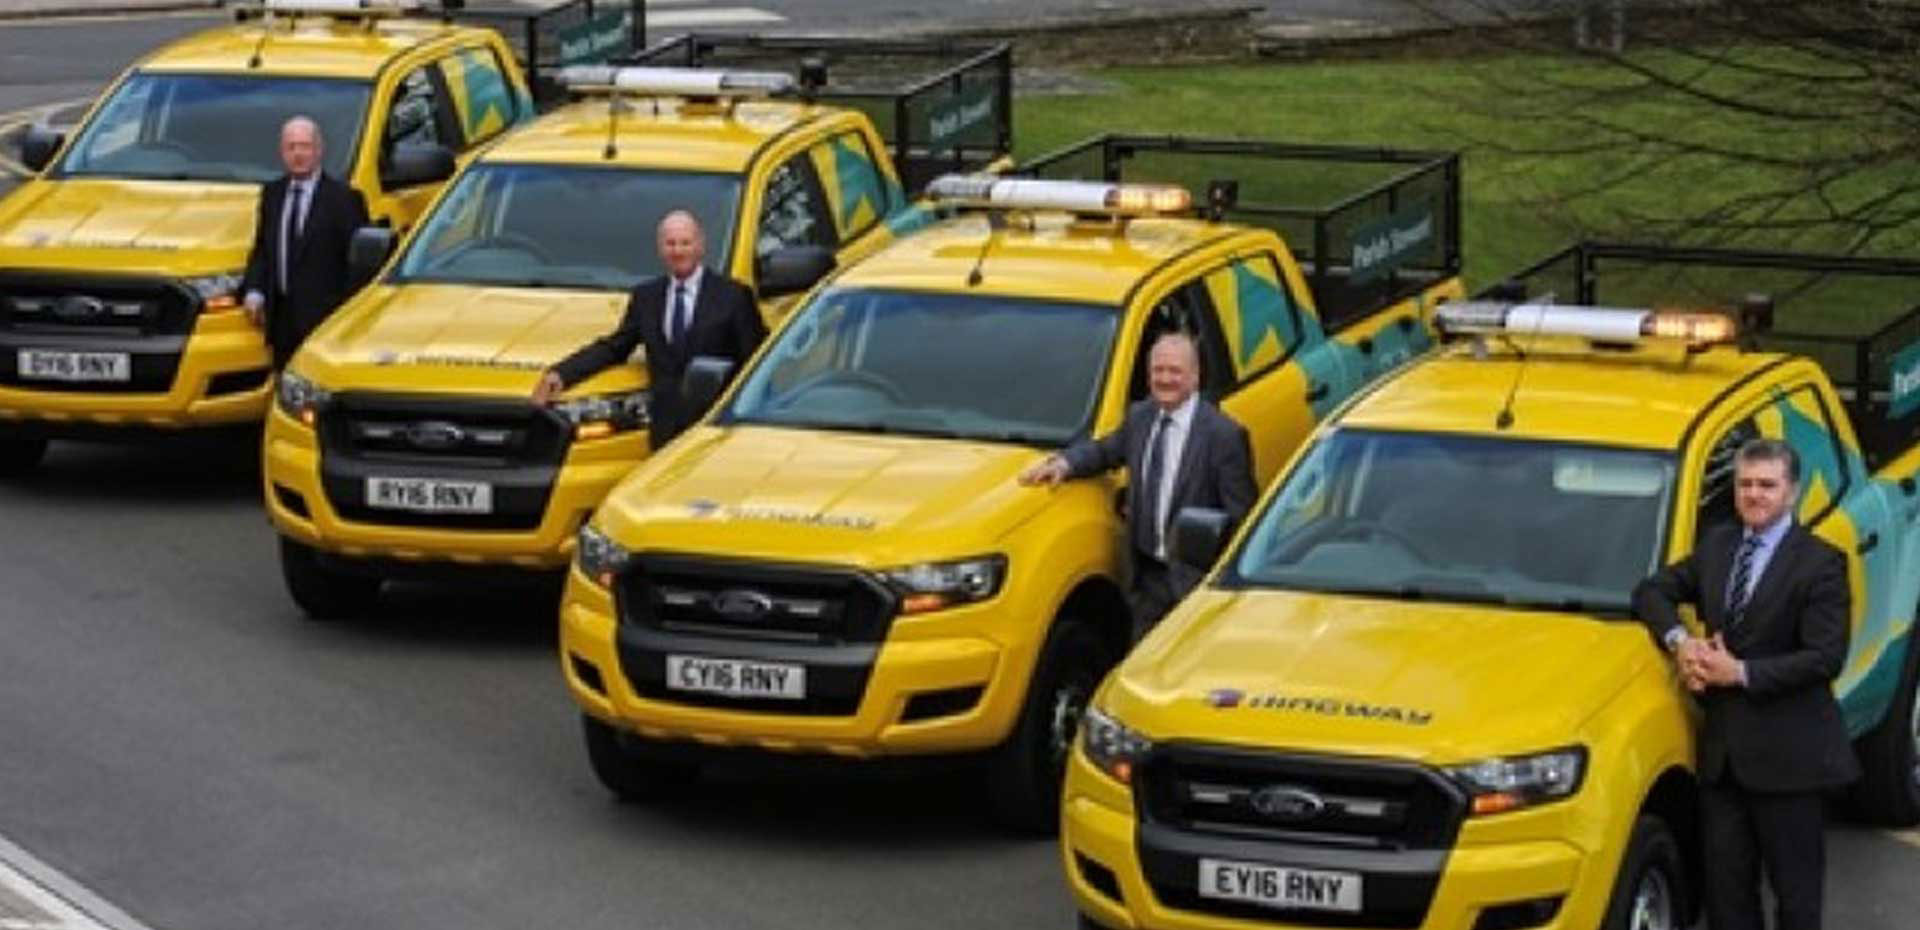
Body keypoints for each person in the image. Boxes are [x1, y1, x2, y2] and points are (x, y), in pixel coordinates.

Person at [1632, 438, 1858, 930]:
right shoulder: (1718, 544)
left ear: (1792, 492)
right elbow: (1651, 591)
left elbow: (1825, 657)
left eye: (1767, 485)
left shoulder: (1821, 563)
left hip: (1791, 763)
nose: (1754, 495)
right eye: (1745, 484)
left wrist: (1741, 673)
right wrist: (1681, 643)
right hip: (1724, 763)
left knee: (1796, 899)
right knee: (1728, 899)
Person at [1018, 330, 1256, 639]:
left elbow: (1242, 515)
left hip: (1195, 585)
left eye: (1175, 371)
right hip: (1147, 581)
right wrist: (1065, 464)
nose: (1165, 379)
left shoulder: (1224, 436)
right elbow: (1106, 450)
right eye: (1158, 370)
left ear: (1195, 377)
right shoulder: (1140, 417)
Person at [533, 210, 764, 450]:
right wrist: (562, 374)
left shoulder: (733, 296)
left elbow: (756, 361)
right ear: (661, 249)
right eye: (670, 244)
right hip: (664, 429)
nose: (678, 251)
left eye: (685, 243)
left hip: (715, 428)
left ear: (700, 246)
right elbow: (614, 347)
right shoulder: (647, 297)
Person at [241, 115, 371, 370]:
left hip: (323, 322)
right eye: (291, 147)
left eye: (304, 146)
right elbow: (264, 250)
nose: (298, 154)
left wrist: (343, 313)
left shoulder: (344, 200)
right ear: (282, 152)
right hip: (281, 322)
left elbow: (359, 264)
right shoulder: (272, 195)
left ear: (318, 150)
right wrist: (254, 290)